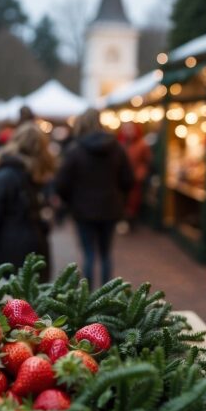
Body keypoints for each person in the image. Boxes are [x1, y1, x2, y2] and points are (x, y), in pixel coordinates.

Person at [55, 108, 134, 286]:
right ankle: (107, 294)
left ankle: (89, 297)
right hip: (111, 208)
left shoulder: (75, 150)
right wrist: (120, 198)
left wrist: (70, 200)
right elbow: (128, 179)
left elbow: (61, 183)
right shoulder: (117, 148)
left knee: (89, 254)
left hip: (83, 210)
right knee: (106, 253)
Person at [0, 122, 55, 278]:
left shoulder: (6, 174)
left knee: (8, 297)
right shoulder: (40, 174)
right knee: (33, 296)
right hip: (37, 242)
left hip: (8, 244)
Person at [118, 122, 152, 229]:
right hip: (122, 178)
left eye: (130, 129)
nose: (128, 131)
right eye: (126, 129)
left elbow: (147, 161)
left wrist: (140, 174)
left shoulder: (141, 144)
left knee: (133, 200)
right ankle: (123, 220)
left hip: (134, 178)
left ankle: (130, 221)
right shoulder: (120, 143)